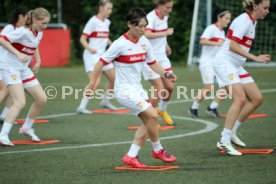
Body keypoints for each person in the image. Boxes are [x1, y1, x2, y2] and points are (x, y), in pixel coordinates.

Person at [85, 7, 177, 168]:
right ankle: (158, 149)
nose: (142, 30)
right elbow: (100, 63)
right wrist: (92, 84)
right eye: (139, 26)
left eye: (144, 26)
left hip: (138, 90)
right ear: (129, 24)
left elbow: (153, 63)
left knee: (148, 122)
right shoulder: (119, 44)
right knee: (153, 116)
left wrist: (166, 74)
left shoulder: (145, 42)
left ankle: (131, 156)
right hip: (124, 92)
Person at [213, 0, 270, 156]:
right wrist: (254, 57)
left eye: (268, 8)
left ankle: (231, 132)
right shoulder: (244, 20)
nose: (267, 11)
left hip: (236, 65)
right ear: (255, 6)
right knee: (239, 99)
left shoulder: (253, 22)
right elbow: (232, 46)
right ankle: (224, 141)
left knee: (257, 98)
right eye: (265, 8)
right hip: (225, 63)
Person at [0, 7, 51, 146]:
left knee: (41, 99)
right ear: (34, 20)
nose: (45, 26)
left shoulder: (38, 32)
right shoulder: (22, 32)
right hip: (10, 67)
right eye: (43, 23)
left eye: (47, 23)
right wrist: (18, 53)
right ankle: (3, 135)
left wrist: (38, 60)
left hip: (23, 69)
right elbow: (2, 40)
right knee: (19, 101)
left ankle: (26, 128)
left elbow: (35, 46)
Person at [76, 0, 117, 114]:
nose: (110, 11)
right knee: (95, 82)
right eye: (108, 8)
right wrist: (90, 49)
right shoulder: (93, 21)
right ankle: (81, 107)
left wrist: (113, 45)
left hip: (103, 56)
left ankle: (105, 101)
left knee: (114, 78)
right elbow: (82, 38)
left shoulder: (107, 22)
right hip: (92, 56)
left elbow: (105, 38)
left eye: (111, 9)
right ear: (101, 8)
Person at [189, 10, 231, 118]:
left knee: (228, 86)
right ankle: (193, 108)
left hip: (218, 65)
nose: (228, 21)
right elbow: (202, 41)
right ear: (219, 17)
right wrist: (217, 43)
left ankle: (212, 107)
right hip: (207, 63)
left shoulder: (222, 32)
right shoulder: (211, 29)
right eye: (226, 18)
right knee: (209, 88)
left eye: (229, 19)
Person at [142, 0, 175, 125]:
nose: (169, 10)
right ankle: (148, 119)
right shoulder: (151, 17)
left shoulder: (164, 17)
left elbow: (161, 35)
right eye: (167, 8)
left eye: (171, 8)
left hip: (162, 57)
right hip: (150, 58)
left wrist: (166, 45)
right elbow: (146, 33)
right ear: (160, 6)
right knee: (159, 88)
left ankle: (162, 110)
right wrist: (165, 33)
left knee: (170, 87)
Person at [0, 7, 29, 124]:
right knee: (5, 90)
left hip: (10, 64)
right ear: (21, 17)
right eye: (27, 17)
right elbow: (2, 40)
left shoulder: (21, 29)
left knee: (16, 90)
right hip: (2, 62)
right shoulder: (10, 28)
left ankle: (5, 116)